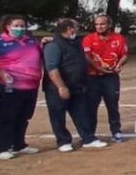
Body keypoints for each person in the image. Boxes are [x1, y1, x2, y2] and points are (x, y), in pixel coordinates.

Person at [43, 18, 106, 152]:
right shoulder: (53, 45)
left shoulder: (76, 42)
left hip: (77, 86)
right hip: (57, 88)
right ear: (70, 29)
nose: (78, 29)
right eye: (77, 26)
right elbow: (52, 68)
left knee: (81, 113)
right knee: (58, 115)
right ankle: (63, 141)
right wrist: (61, 86)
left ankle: (88, 138)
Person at [0, 14, 43, 160]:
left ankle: (19, 144)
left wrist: (45, 41)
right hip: (10, 86)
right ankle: (2, 147)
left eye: (22, 25)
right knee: (7, 117)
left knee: (24, 117)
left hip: (31, 86)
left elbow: (39, 53)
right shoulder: (0, 41)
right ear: (8, 26)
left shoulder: (30, 40)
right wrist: (1, 73)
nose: (20, 28)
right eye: (16, 25)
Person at [82, 14, 128, 142]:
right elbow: (86, 56)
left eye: (102, 24)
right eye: (97, 24)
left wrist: (119, 65)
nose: (99, 27)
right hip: (92, 78)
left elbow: (124, 55)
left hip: (111, 77)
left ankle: (116, 131)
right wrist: (99, 68)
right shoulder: (88, 38)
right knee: (91, 106)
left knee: (113, 105)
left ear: (109, 25)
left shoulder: (119, 38)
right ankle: (90, 133)